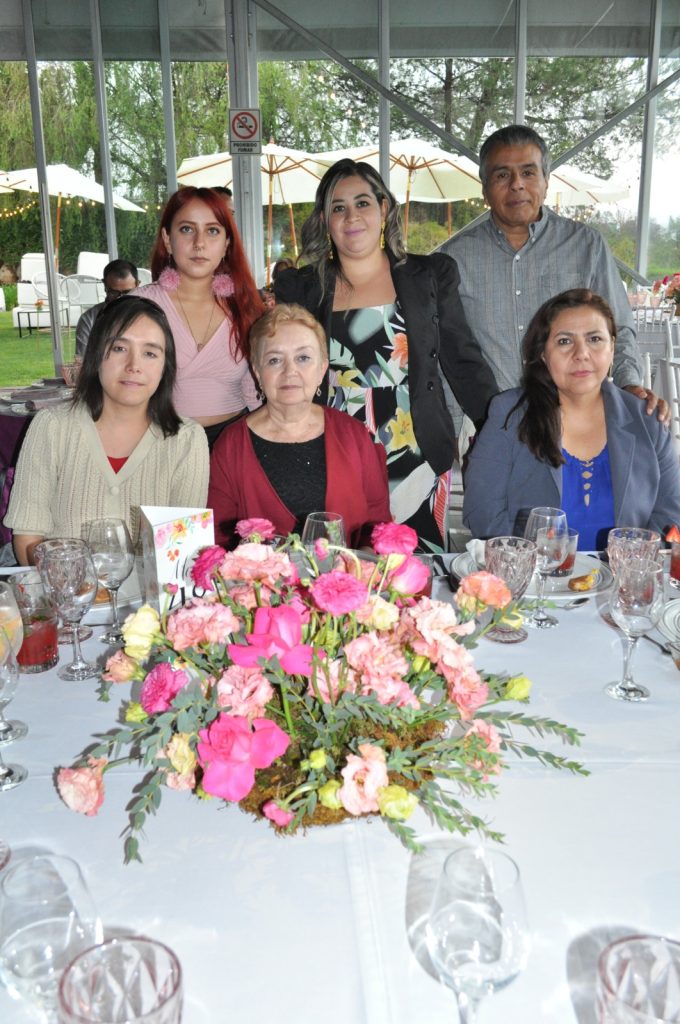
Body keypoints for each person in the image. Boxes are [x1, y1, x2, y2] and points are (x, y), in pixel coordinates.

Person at [274, 158, 498, 552]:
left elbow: (462, 360)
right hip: (333, 452)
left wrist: (501, 425)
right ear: (325, 220)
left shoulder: (429, 275)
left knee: (415, 568)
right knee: (339, 567)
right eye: (338, 207)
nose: (351, 216)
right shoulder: (301, 288)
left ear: (384, 208)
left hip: (417, 450)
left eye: (362, 203)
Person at [439, 124, 668, 421]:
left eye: (528, 172)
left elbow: (619, 328)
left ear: (546, 181)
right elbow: (448, 353)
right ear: (484, 188)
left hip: (577, 422)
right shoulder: (453, 259)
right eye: (502, 175)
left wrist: (629, 384)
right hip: (492, 425)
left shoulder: (586, 246)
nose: (517, 185)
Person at [462, 289, 680, 549]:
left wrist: (632, 562)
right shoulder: (508, 413)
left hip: (625, 572)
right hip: (534, 572)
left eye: (595, 339)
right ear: (543, 354)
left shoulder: (646, 419)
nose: (581, 353)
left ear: (612, 348)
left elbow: (671, 515)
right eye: (564, 341)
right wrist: (533, 563)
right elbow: (483, 513)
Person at [5, 296, 209, 565]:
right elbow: (28, 539)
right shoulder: (51, 428)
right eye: (119, 348)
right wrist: (70, 588)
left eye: (150, 353)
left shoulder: (187, 440)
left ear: (165, 367)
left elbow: (184, 553)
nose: (134, 366)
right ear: (95, 356)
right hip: (63, 591)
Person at [208, 303, 391, 548]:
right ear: (257, 372)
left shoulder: (354, 435)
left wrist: (361, 563)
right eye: (274, 360)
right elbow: (218, 537)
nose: (290, 371)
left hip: (348, 571)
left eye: (303, 358)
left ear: (322, 369)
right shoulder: (230, 446)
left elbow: (378, 524)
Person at [136, 186, 264, 449]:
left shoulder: (246, 308)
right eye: (186, 229)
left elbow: (254, 389)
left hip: (235, 446)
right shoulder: (138, 306)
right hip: (159, 446)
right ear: (167, 239)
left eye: (212, 231)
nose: (199, 243)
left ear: (227, 243)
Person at [75, 259, 140, 357]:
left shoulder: (149, 316)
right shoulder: (90, 319)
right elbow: (82, 360)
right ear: (104, 285)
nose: (121, 299)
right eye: (114, 293)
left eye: (127, 293)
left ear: (137, 285)